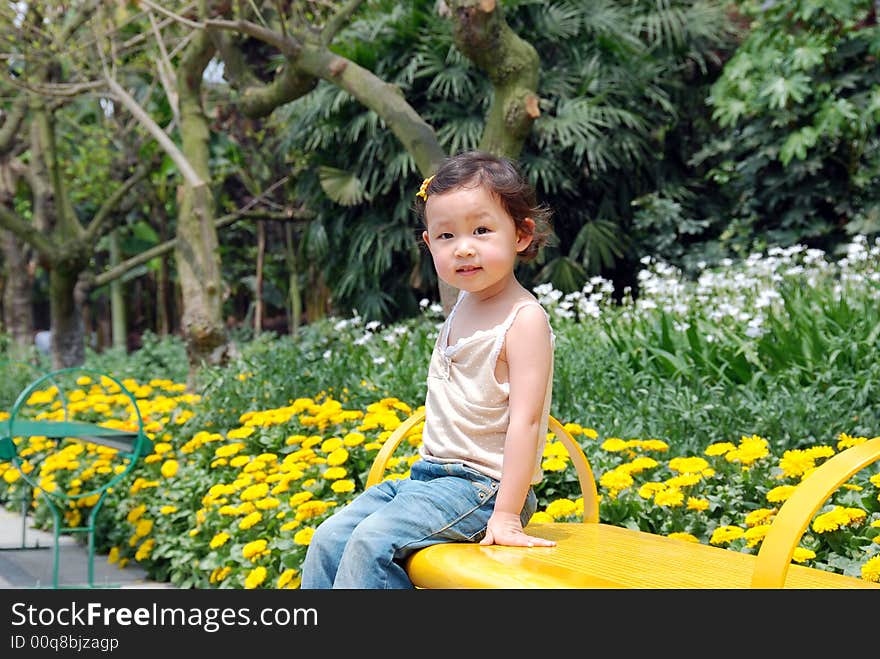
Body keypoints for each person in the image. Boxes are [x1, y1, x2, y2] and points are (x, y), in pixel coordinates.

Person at [300, 150, 556, 589]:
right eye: (446, 236)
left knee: (371, 545)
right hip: (429, 478)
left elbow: (527, 422)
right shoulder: (462, 306)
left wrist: (508, 515)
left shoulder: (523, 319)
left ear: (521, 233)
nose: (464, 247)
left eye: (481, 229)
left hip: (483, 490)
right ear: (428, 243)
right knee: (330, 537)